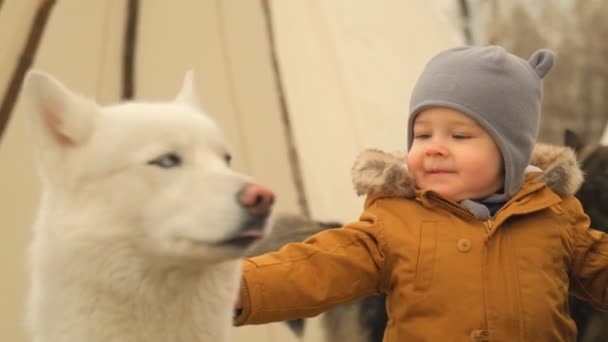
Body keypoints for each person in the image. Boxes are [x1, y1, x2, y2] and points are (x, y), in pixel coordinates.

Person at [233, 45, 608, 341]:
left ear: (511, 152)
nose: (434, 147)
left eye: (459, 136)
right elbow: (317, 268)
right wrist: (236, 289)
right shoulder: (395, 222)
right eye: (422, 134)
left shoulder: (553, 218)